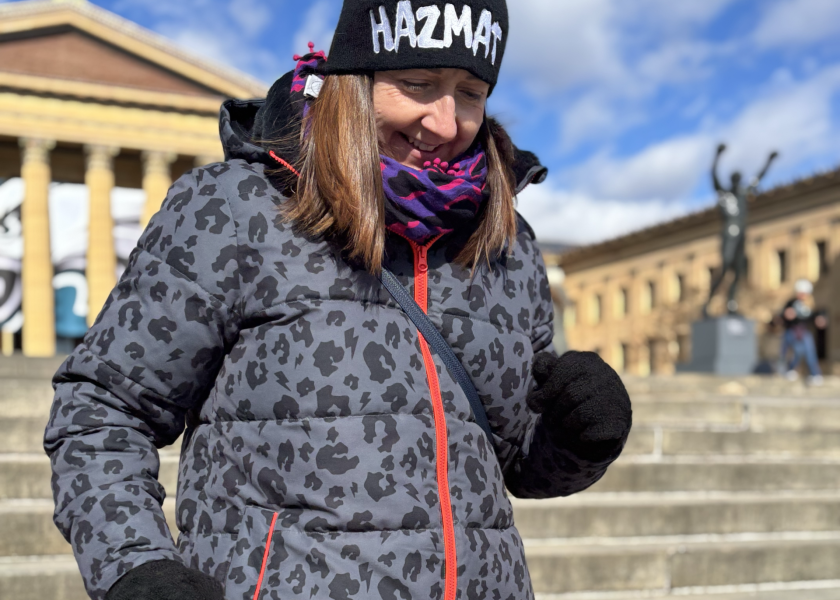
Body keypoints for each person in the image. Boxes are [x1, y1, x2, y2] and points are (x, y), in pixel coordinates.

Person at [44, 2, 632, 599]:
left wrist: (575, 438)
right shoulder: (236, 209)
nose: (445, 121)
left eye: (471, 92)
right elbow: (102, 411)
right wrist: (135, 567)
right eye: (418, 83)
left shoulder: (506, 244)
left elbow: (516, 461)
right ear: (352, 81)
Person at [704, 143, 778, 317]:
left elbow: (759, 176)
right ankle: (708, 303)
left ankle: (731, 304)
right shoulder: (725, 195)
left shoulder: (744, 193)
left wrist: (769, 161)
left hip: (741, 235)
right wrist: (717, 155)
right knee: (725, 268)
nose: (738, 182)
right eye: (735, 179)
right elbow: (713, 175)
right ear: (731, 181)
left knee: (738, 270)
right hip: (729, 233)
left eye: (740, 179)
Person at [780, 279, 828, 385]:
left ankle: (815, 374)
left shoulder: (810, 304)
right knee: (795, 351)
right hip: (792, 331)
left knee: (810, 352)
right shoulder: (791, 303)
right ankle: (791, 369)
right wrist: (786, 314)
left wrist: (819, 319)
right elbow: (782, 315)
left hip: (804, 331)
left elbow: (815, 316)